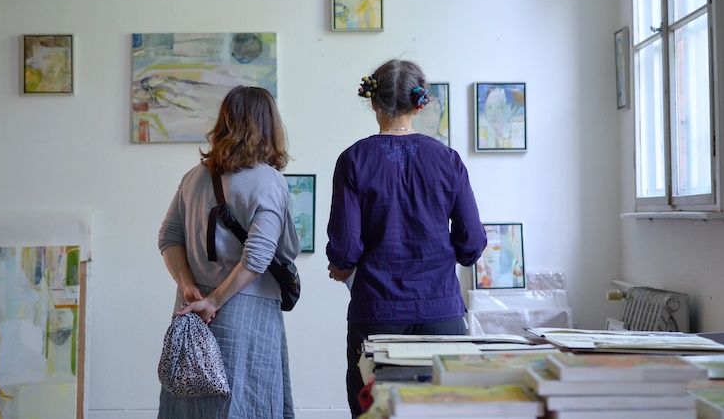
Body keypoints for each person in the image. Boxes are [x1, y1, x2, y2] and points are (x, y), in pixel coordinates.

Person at [325, 59, 487, 417]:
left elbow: (345, 249)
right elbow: (472, 244)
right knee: (443, 412)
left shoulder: (353, 160)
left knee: (374, 412)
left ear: (373, 101)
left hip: (376, 313)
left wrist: (341, 266)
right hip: (441, 314)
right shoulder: (448, 160)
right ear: (421, 103)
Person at [157, 86, 299, 419]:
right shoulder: (267, 180)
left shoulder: (193, 178)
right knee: (246, 402)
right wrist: (215, 301)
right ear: (269, 126)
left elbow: (168, 237)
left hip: (191, 312)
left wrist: (191, 287)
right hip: (247, 312)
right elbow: (258, 255)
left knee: (191, 406)